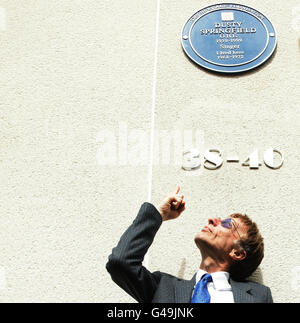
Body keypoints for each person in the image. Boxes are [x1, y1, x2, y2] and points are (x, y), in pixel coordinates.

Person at [106, 186, 273, 303]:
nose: (213, 220)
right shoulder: (163, 287)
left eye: (228, 223)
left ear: (237, 253)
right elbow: (120, 262)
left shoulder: (258, 296)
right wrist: (159, 214)